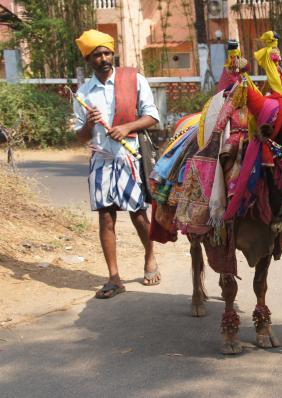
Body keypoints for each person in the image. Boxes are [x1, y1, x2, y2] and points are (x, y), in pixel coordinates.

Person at [73, 29, 161, 299]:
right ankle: (114, 277)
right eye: (96, 55)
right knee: (106, 217)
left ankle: (150, 258)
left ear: (113, 54)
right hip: (101, 159)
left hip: (129, 156)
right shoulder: (84, 92)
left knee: (137, 215)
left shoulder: (134, 80)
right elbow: (80, 136)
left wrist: (126, 127)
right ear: (89, 60)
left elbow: (152, 117)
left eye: (106, 53)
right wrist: (88, 124)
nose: (103, 58)